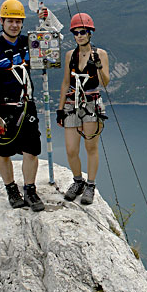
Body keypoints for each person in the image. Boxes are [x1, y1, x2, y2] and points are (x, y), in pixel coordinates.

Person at [0, 0, 45, 212]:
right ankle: (11, 189)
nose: (14, 25)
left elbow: (50, 43)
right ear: (2, 21)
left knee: (31, 150)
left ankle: (30, 189)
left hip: (26, 104)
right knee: (4, 151)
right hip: (4, 108)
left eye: (18, 21)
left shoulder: (28, 43)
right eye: (10, 21)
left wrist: (45, 20)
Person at [56, 12, 110, 205]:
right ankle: (78, 181)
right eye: (76, 33)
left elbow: (105, 82)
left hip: (91, 103)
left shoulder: (100, 54)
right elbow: (65, 83)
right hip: (72, 103)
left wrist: (99, 67)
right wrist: (60, 108)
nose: (79, 36)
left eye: (83, 32)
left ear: (90, 33)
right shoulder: (70, 56)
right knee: (71, 149)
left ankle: (90, 185)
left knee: (90, 147)